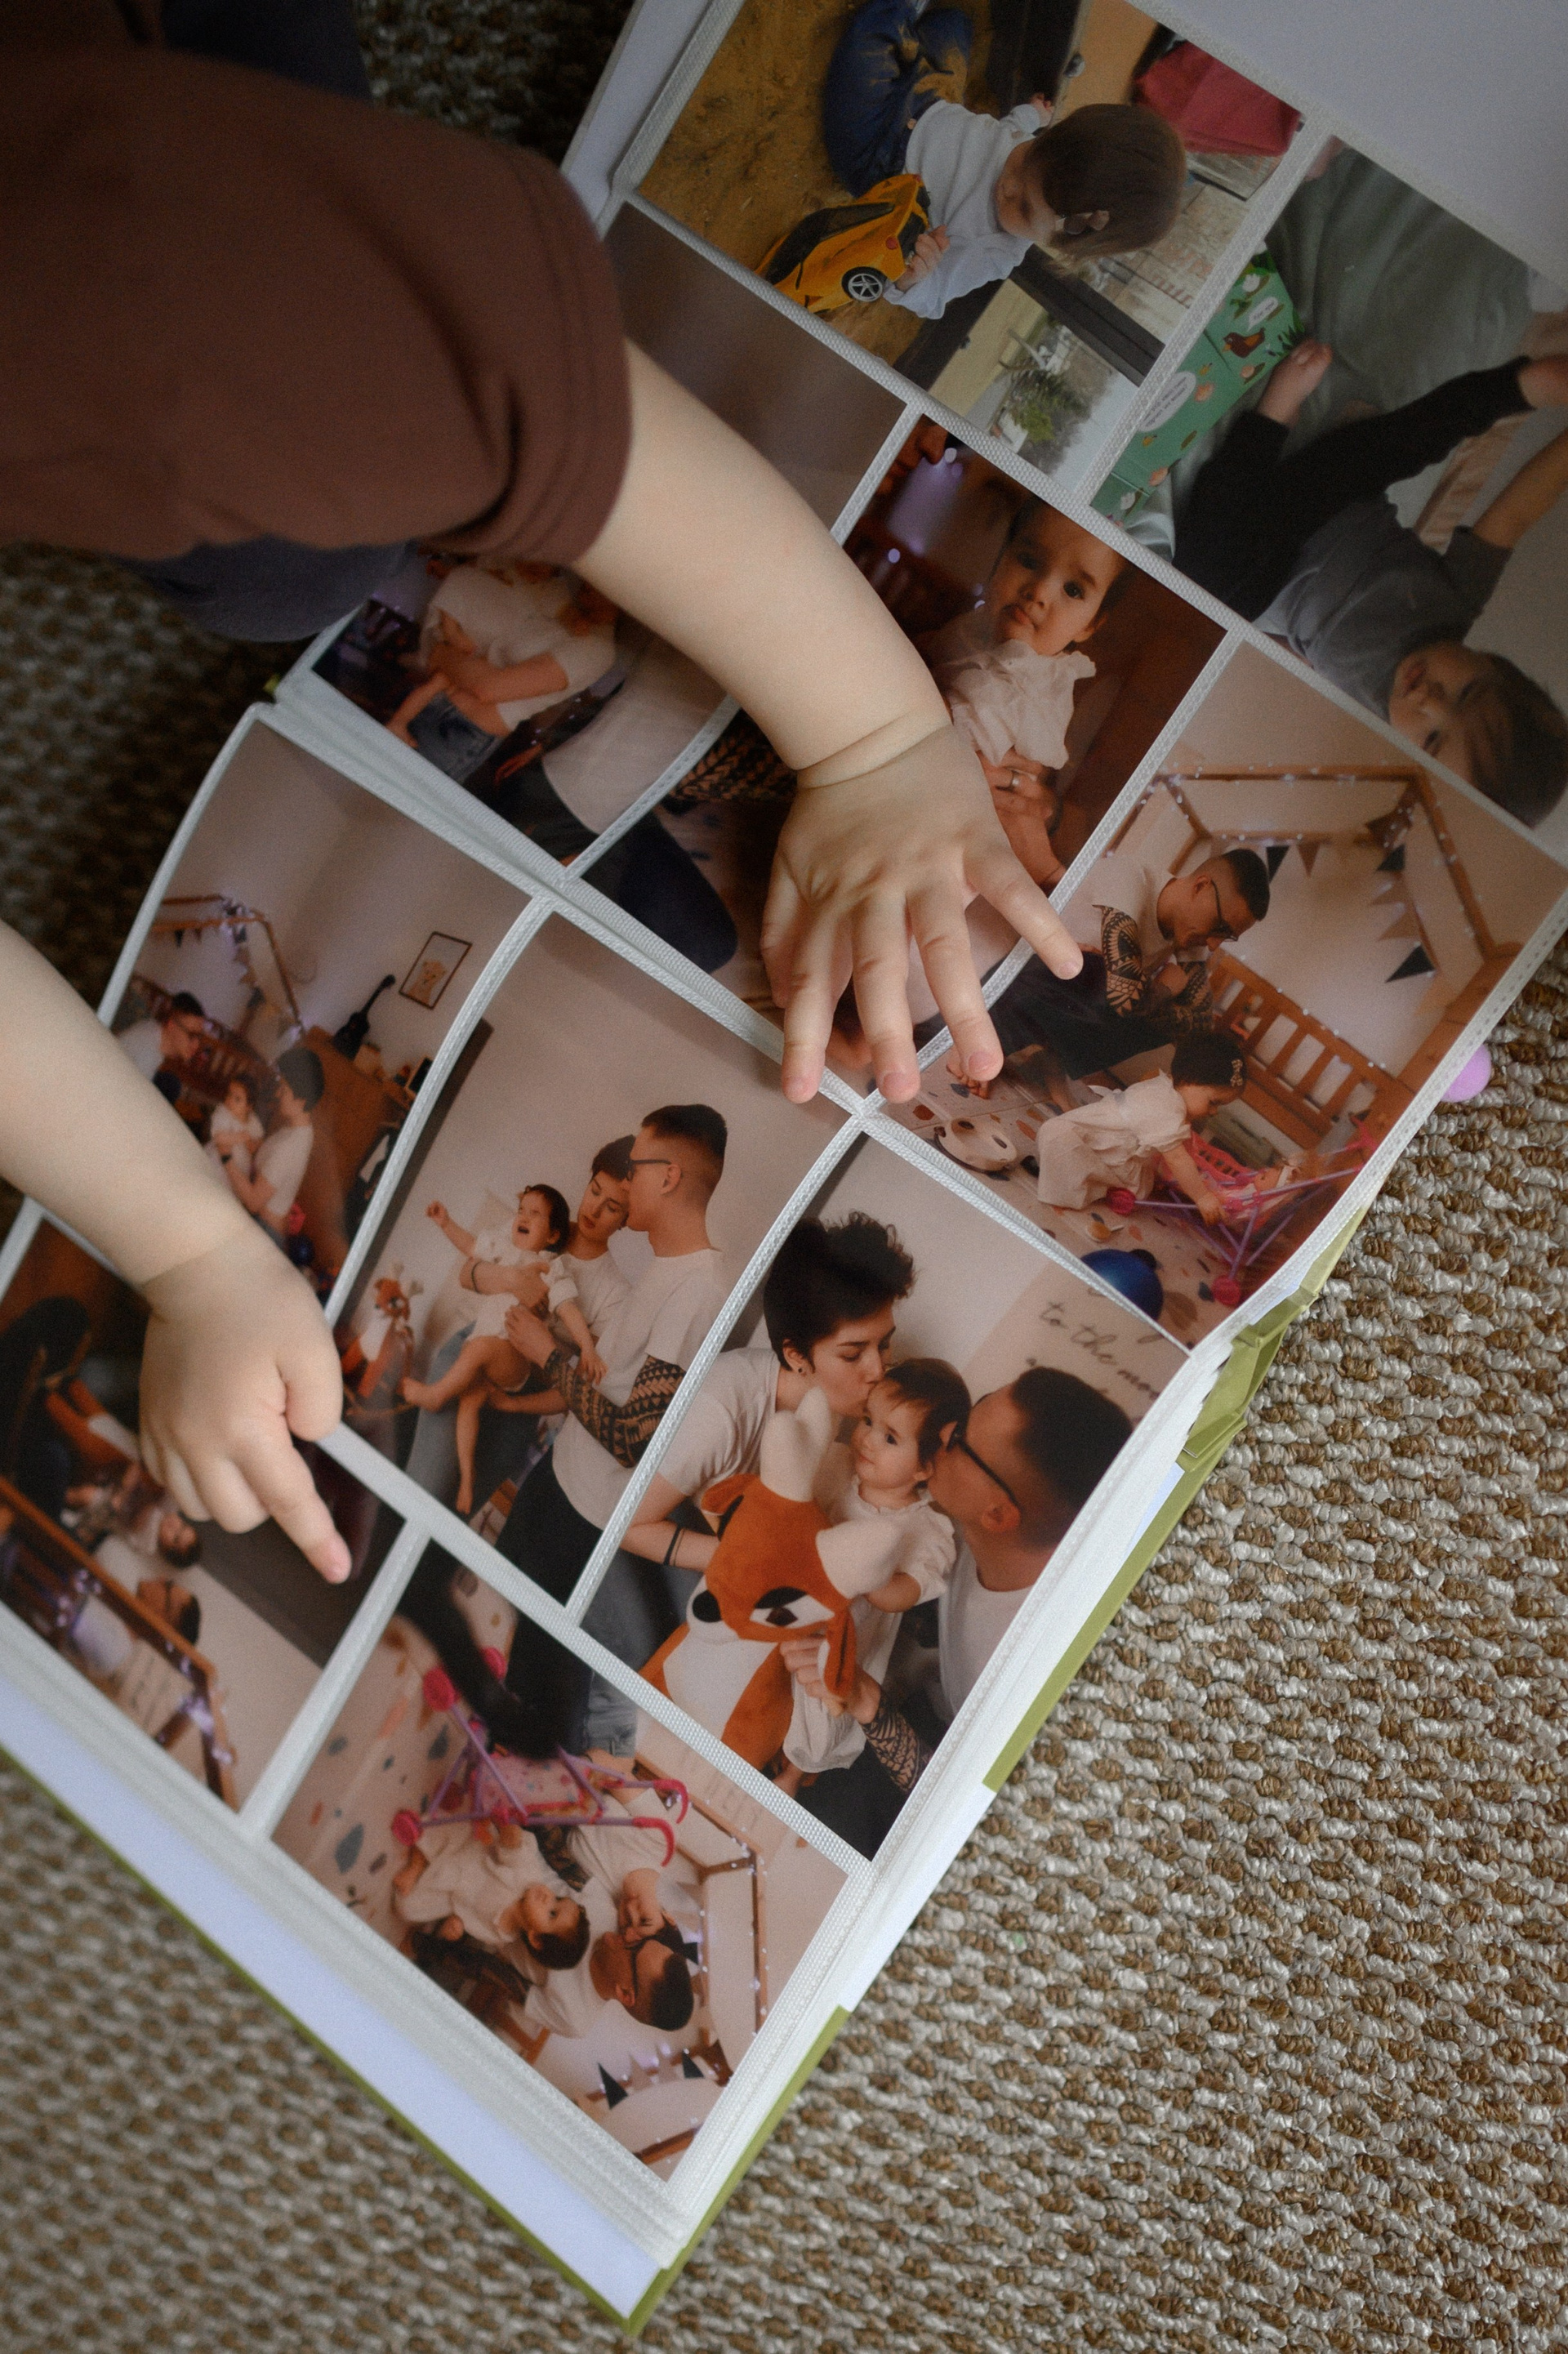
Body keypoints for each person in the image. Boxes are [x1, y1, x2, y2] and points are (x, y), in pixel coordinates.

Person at [0, 1, 1083, 1581]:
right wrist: (192, 1248)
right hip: (533, 712)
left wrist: (872, 732)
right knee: (296, 558)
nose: (607, 1186)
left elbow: (514, 383)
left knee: (297, 522)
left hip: (196, 267)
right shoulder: (659, 1290)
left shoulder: (111, 293)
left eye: (620, 1174)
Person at [1174, 341, 1568, 823]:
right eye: (1465, 693)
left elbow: (1308, 661)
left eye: (1433, 740)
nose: (1430, 703)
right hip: (1334, 493)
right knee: (1410, 439)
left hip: (1265, 568)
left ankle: (1270, 419)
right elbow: (1515, 515)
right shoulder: (1458, 601)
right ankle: (1526, 385)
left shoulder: (1370, 719)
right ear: (1491, 662)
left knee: (1202, 588)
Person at [783, 1367, 1134, 1857]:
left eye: (962, 1439)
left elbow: (956, 1811)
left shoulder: (1039, 1667)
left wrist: (866, 1700)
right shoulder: (969, 1531)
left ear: (998, 1514)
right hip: (928, 1703)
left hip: (953, 1780)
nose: (944, 1431)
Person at [583, 1210, 917, 1664]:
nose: (878, 1370)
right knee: (653, 1656)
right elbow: (628, 1524)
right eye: (853, 1354)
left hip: (708, 1526)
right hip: (620, 1518)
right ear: (796, 1356)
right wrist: (746, 1559)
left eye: (884, 1344)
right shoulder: (723, 1408)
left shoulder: (838, 1407)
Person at [492, 1107, 732, 1604]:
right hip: (558, 1475)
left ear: (668, 1177)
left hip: (584, 1516)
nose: (626, 1181)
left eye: (636, 1167)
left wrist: (548, 1357)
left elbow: (633, 1441)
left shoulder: (701, 1290)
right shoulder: (667, 1267)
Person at [821, 5, 1186, 319]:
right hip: (930, 101)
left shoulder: (994, 251)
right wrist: (1032, 115)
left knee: (867, 47)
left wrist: (912, 279)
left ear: (1057, 242)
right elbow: (1011, 131)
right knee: (955, 26)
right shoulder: (1044, 158)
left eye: (1024, 208)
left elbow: (934, 300)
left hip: (878, 158)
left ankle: (897, 13)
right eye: (1024, 158)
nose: (1008, 186)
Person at [776, 1357, 969, 1795]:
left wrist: (865, 1569)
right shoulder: (837, 1467)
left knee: (819, 1705)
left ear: (924, 1468)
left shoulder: (927, 1531)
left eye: (890, 1437)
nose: (867, 1439)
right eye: (868, 1420)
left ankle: (795, 1773)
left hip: (845, 1638)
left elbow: (903, 1594)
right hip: (794, 1599)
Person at [924, 502, 1129, 887]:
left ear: (1089, 626)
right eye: (1030, 561)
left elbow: (1023, 760)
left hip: (963, 813)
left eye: (1073, 590)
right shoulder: (967, 628)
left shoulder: (1048, 683)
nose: (1039, 592)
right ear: (1001, 559)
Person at [982, 845, 1272, 1095]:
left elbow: (1199, 1026)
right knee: (1097, 973)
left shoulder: (1191, 933)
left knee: (1134, 1004)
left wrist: (1145, 988)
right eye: (1220, 927)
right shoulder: (1131, 875)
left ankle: (1048, 1061)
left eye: (1227, 936)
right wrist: (1164, 989)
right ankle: (988, 1043)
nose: (1214, 944)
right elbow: (1123, 995)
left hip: (1050, 1006)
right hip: (1008, 979)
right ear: (1200, 886)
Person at [401, 1186, 603, 1516]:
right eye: (522, 1209)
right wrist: (445, 1223)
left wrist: (588, 1348)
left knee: (477, 1349)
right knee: (469, 1404)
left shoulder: (550, 1268)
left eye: (535, 1214)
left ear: (553, 1235)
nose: (523, 1217)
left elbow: (568, 1311)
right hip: (484, 1347)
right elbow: (471, 1248)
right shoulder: (506, 1250)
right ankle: (466, 1481)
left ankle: (436, 1395)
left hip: (511, 1357)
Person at [387, 563, 619, 784]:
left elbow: (487, 688)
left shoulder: (597, 649)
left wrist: (441, 654)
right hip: (435, 698)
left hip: (460, 730)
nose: (593, 582)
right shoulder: (558, 602)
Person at [1031, 1032, 1250, 1222]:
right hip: (1098, 1142)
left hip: (1115, 1152)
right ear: (1188, 1080)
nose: (1214, 1112)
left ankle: (1091, 1185)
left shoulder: (1166, 1090)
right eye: (1213, 1102)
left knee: (1059, 1136)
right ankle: (1086, 1184)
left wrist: (1200, 1193)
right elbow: (1177, 1159)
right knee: (1061, 1137)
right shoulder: (1166, 1107)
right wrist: (1202, 1196)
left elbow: (1174, 1154)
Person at [220, 1045, 324, 1240]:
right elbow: (276, 1164)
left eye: (283, 1090)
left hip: (264, 1230)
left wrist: (225, 1155)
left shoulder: (291, 1146)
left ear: (301, 1100)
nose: (277, 1094)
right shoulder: (301, 1130)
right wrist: (253, 1144)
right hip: (266, 1224)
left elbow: (253, 1202)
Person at [116, 992, 206, 1106]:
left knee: (171, 1083)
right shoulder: (147, 1053)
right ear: (171, 1025)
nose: (196, 1045)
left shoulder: (154, 1030)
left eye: (199, 1037)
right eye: (192, 1035)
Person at [204, 1072, 265, 1179]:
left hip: (239, 1167)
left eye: (237, 1099)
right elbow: (218, 1137)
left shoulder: (253, 1120)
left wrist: (251, 1144)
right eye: (229, 1094)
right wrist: (239, 1137)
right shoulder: (223, 1113)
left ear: (249, 1107)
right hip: (218, 1160)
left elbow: (259, 1142)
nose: (230, 1100)